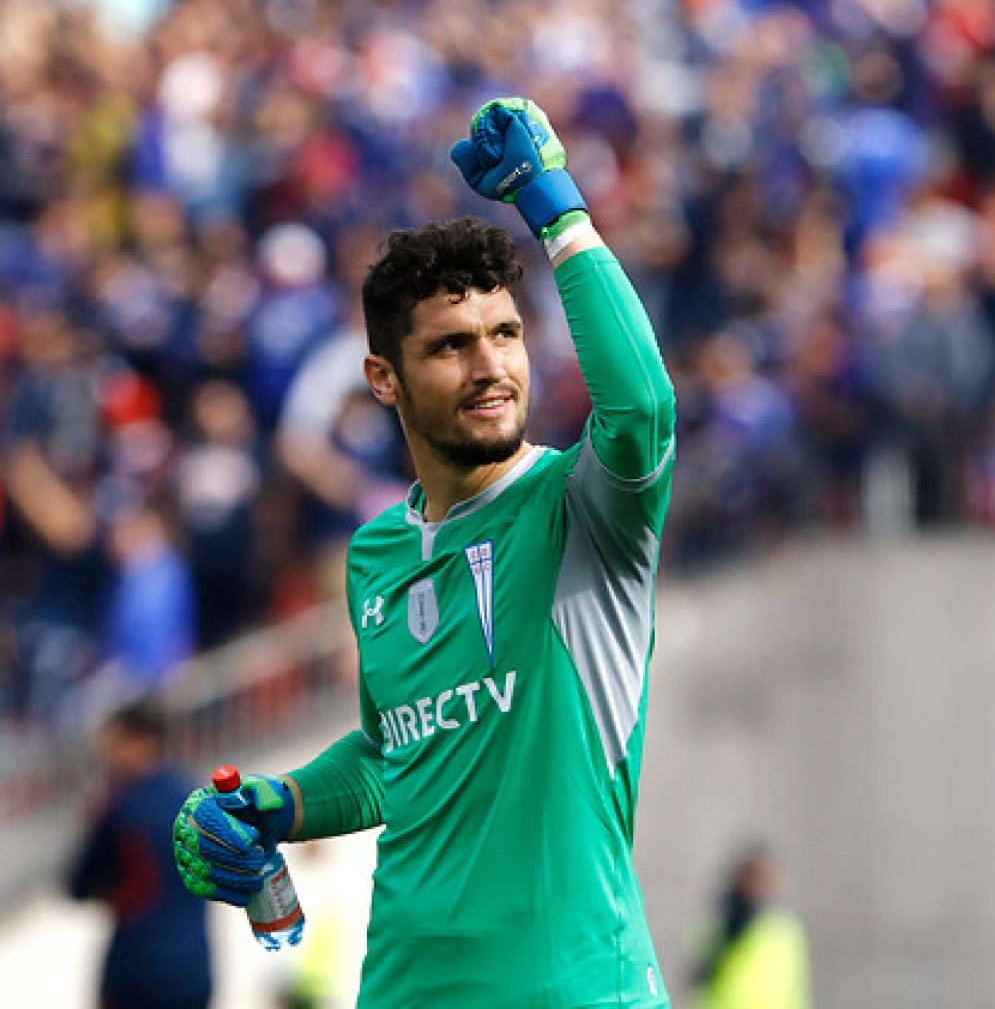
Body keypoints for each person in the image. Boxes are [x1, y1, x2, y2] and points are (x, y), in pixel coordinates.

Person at [174, 96, 677, 1008]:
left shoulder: (585, 509)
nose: (491, 366)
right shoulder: (376, 552)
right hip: (402, 989)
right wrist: (279, 804)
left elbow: (642, 407)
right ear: (384, 379)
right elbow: (394, 751)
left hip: (574, 989)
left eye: (506, 335)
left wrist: (559, 213)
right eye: (452, 346)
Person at [69, 699, 213, 1009]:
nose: (108, 753)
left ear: (139, 741)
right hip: (194, 971)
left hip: (136, 975)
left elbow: (79, 885)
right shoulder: (194, 801)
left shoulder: (121, 808)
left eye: (115, 742)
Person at [688, 844, 811, 1009]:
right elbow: (699, 976)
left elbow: (795, 987)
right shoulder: (720, 923)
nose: (759, 886)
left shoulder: (783, 928)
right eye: (754, 877)